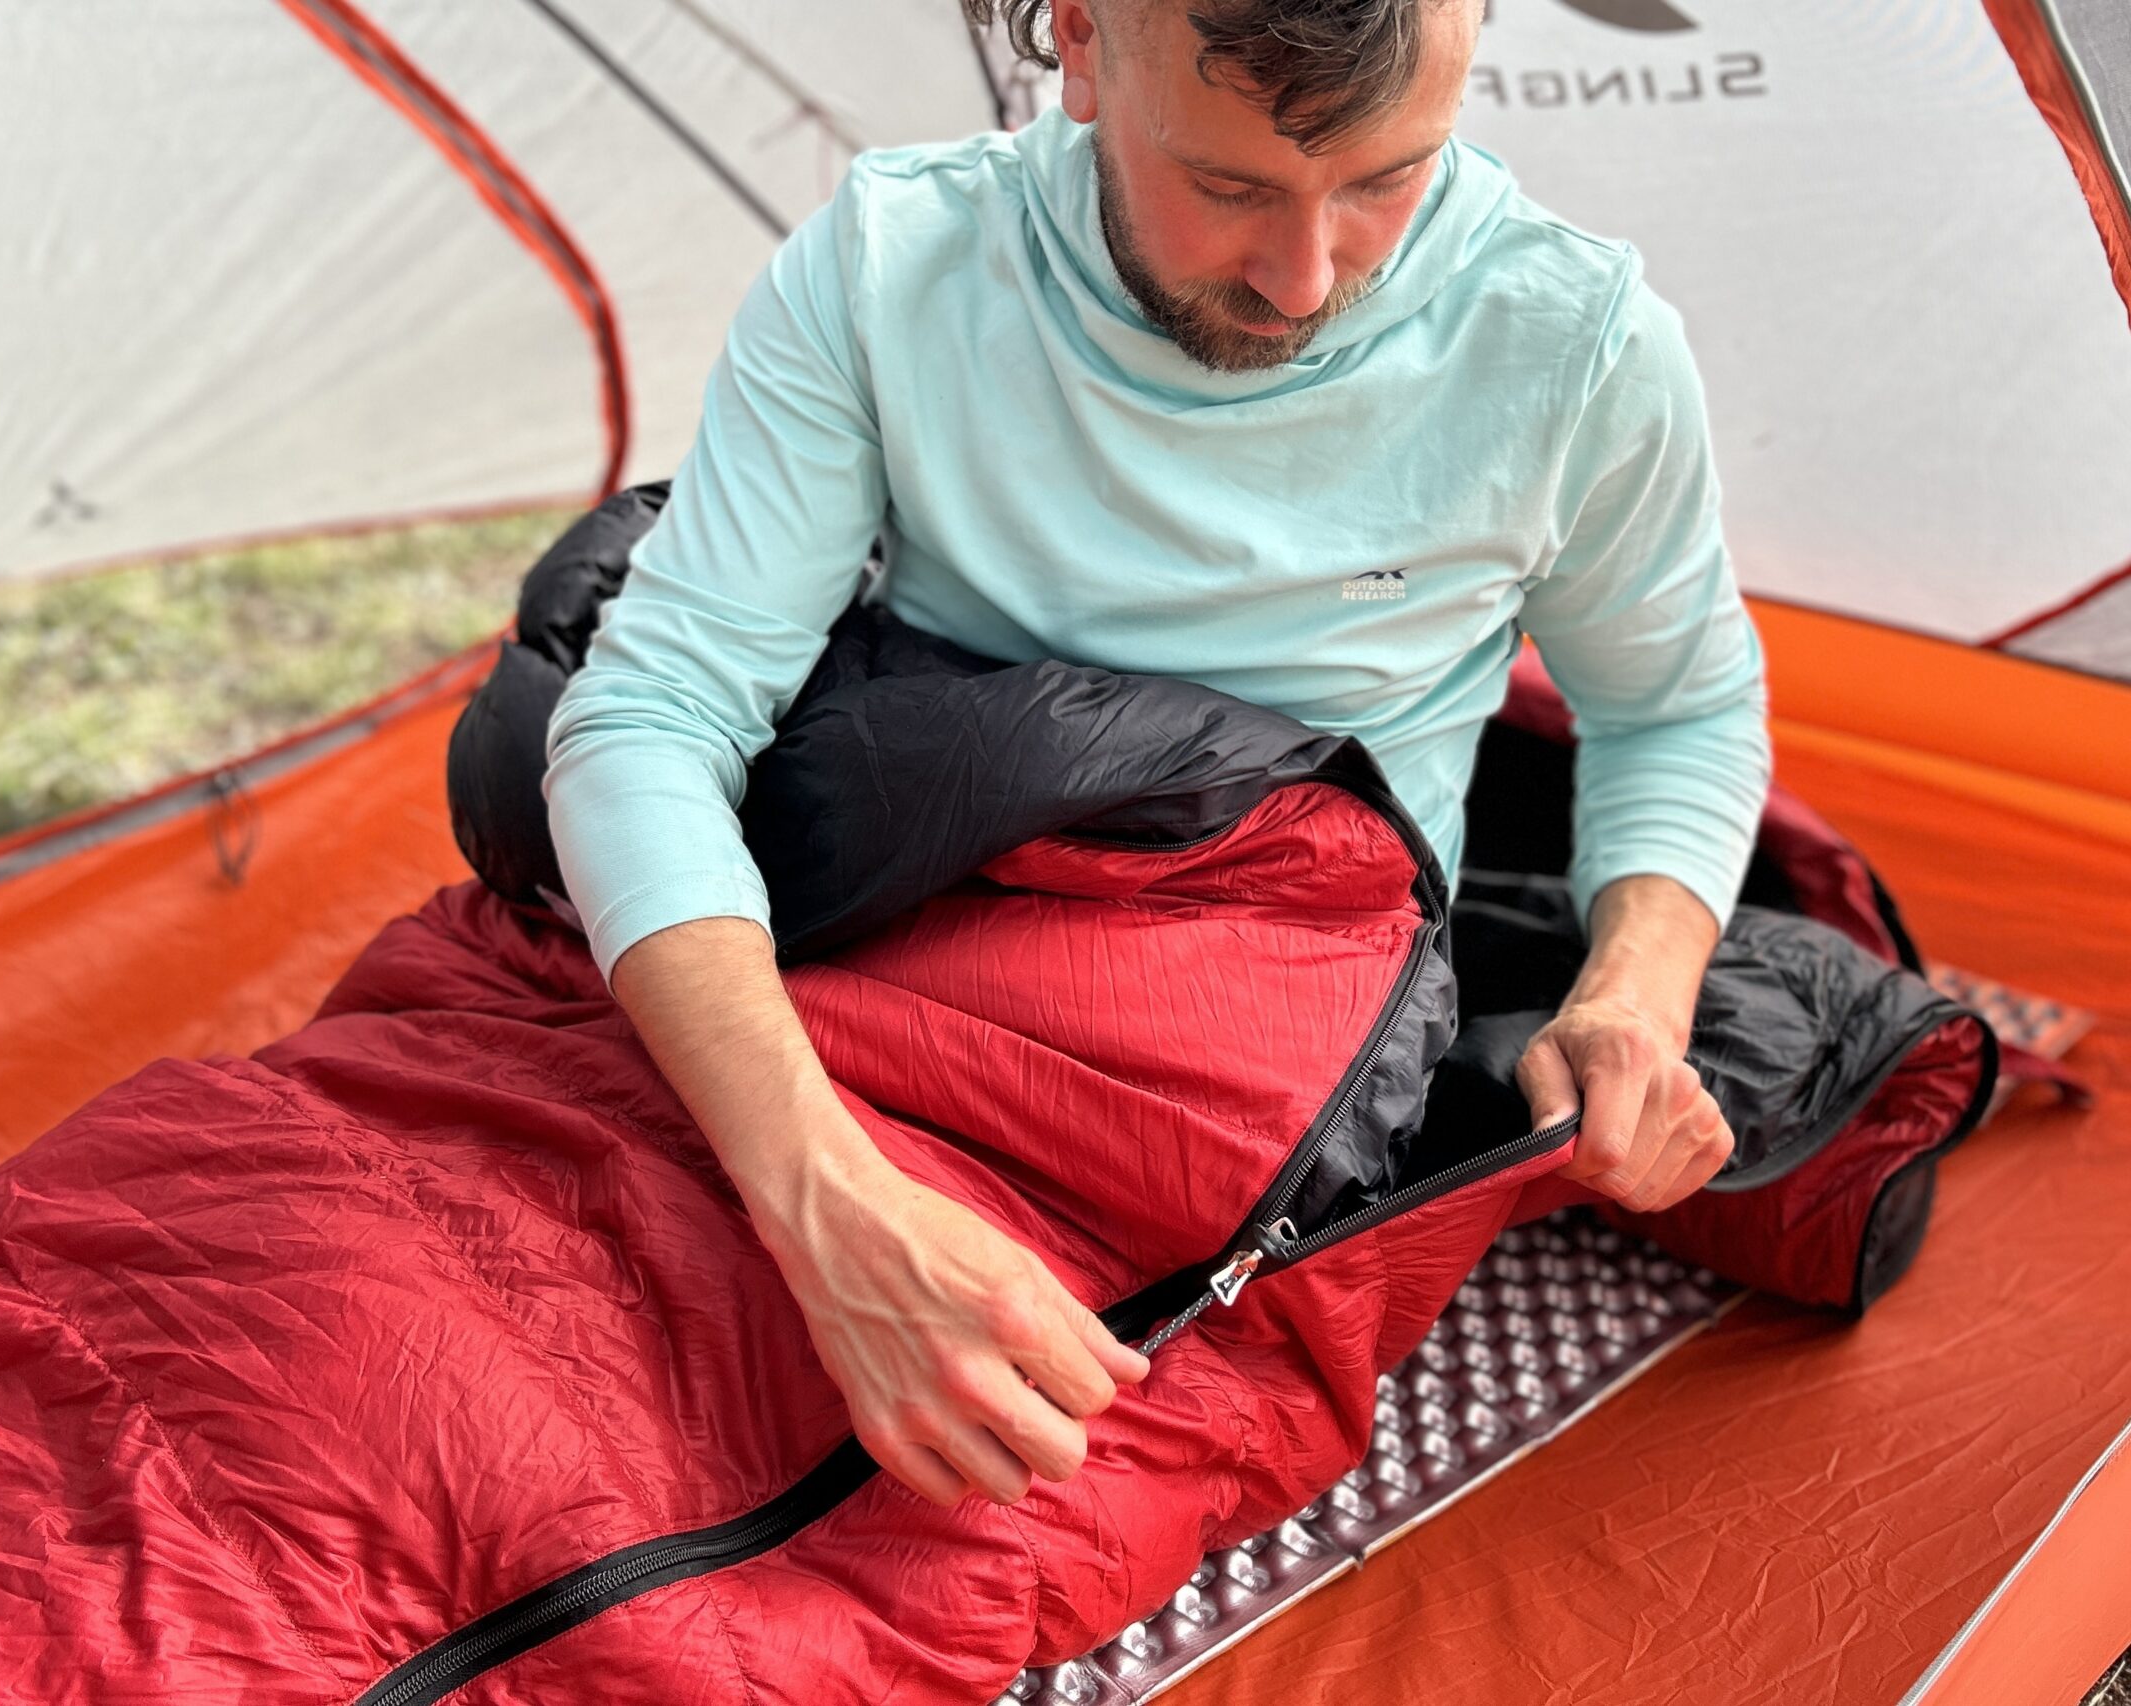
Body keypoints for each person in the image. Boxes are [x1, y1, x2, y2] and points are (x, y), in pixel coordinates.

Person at [539, 0, 1768, 1517]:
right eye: (1234, 186)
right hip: (879, 930)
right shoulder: (895, 264)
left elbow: (1677, 707)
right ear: (1080, 39)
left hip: (1254, 1017)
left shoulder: (1571, 344)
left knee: (790, 1480)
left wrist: (1634, 997)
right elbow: (655, 709)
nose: (1306, 276)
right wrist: (824, 1199)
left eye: (1391, 178)